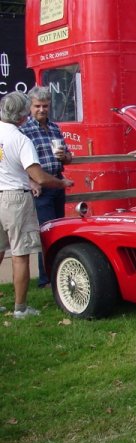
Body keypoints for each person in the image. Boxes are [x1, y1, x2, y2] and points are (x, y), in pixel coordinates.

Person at [0, 91, 74, 318]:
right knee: (21, 253)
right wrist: (61, 183)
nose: (40, 110)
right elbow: (39, 176)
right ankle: (20, 308)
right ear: (24, 113)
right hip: (17, 196)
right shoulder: (22, 139)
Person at [20, 86, 74, 289]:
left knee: (58, 231)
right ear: (30, 107)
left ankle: (56, 273)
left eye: (45, 106)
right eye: (37, 106)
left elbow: (67, 156)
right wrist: (31, 181)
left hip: (57, 183)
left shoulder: (54, 128)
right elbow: (17, 162)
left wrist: (65, 157)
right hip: (40, 189)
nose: (42, 109)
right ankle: (46, 279)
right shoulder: (24, 130)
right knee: (46, 233)